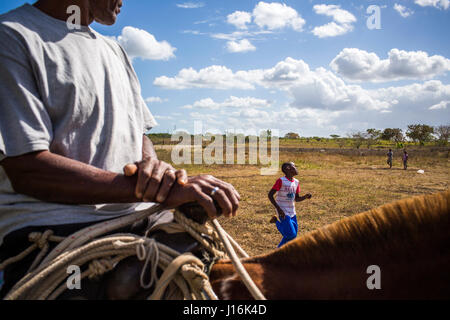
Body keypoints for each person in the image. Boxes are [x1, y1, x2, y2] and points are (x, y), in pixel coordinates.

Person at [0, 0, 240, 297]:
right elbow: (28, 168)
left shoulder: (114, 50)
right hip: (57, 228)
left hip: (140, 217)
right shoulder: (12, 37)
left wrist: (155, 170)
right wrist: (146, 189)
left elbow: (137, 135)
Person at [268, 162, 311, 248]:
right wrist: (279, 209)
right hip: (283, 211)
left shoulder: (296, 182)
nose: (296, 168)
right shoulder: (281, 181)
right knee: (291, 235)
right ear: (288, 168)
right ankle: (276, 221)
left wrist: (305, 197)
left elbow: (296, 199)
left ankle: (278, 252)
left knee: (292, 236)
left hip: (292, 212)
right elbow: (270, 195)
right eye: (294, 166)